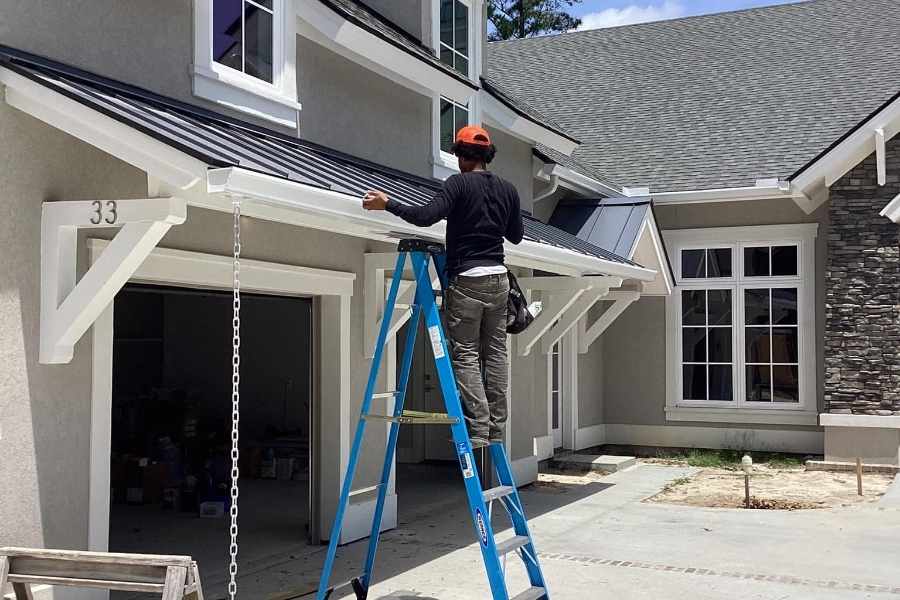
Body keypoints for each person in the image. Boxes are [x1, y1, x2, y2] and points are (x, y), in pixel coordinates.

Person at [362, 125, 524, 448]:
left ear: (462, 156)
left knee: (464, 354)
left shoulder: (458, 185)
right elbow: (516, 235)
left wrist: (387, 203)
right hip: (499, 280)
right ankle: (496, 428)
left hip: (468, 280)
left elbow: (425, 217)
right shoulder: (508, 189)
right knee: (495, 354)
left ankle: (478, 428)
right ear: (487, 156)